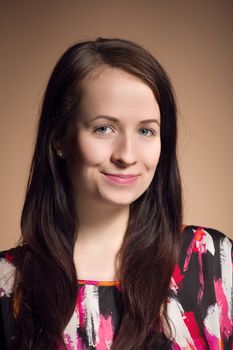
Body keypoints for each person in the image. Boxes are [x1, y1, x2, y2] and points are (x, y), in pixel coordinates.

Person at [0, 37, 232, 350]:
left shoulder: (212, 261)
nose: (126, 155)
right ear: (59, 139)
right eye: (104, 128)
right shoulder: (8, 284)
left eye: (146, 131)